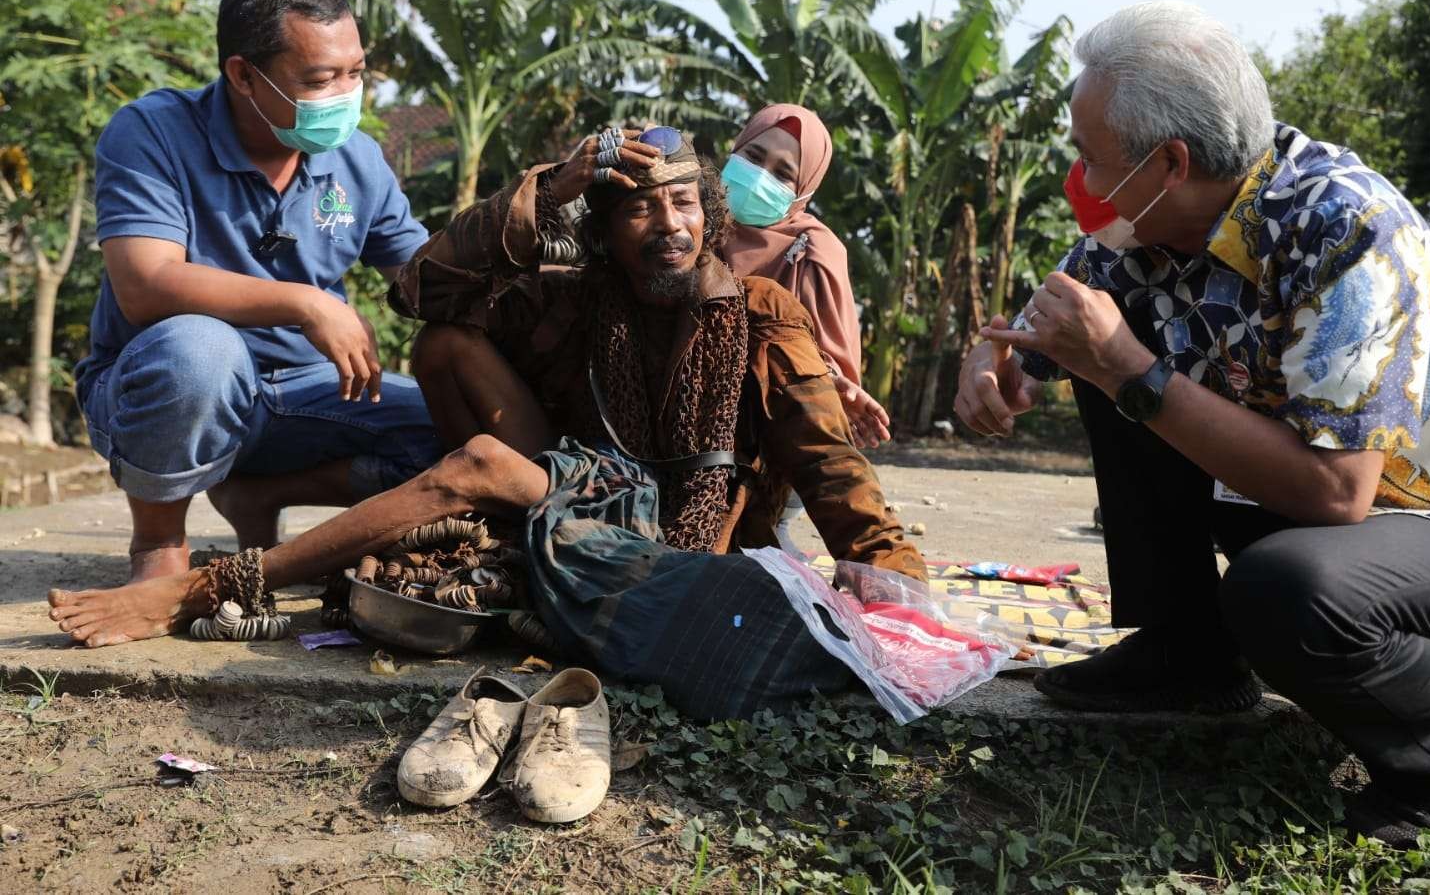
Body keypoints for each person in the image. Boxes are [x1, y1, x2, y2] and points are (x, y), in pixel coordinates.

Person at [955, 1, 1430, 846]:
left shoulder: (1348, 227)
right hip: (1345, 526)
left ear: (1168, 161)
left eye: (1088, 156)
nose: (1080, 177)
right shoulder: (1146, 223)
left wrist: (1126, 368)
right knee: (1111, 357)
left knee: (1284, 587)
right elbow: (1053, 320)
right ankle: (1187, 654)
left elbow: (1334, 491)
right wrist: (994, 363)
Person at [47, 124, 924, 648]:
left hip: (676, 520)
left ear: (711, 214)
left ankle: (209, 587)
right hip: (587, 474)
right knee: (444, 346)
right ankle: (266, 523)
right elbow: (427, 289)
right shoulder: (583, 295)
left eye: (686, 205)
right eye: (640, 208)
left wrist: (889, 573)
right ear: (608, 231)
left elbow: (827, 457)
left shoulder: (760, 309)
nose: (669, 226)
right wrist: (552, 187)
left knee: (471, 465)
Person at [75, 0, 439, 582]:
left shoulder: (358, 159)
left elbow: (429, 275)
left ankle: (263, 492)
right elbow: (144, 285)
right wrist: (307, 302)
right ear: (243, 75)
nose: (346, 94)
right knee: (200, 350)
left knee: (460, 439)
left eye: (355, 73)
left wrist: (530, 239)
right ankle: (159, 546)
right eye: (322, 78)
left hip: (306, 395)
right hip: (168, 387)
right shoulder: (152, 133)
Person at [721, 104, 889, 448]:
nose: (759, 177)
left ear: (804, 191)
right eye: (753, 156)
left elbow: (824, 360)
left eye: (782, 173)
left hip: (775, 435)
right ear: (735, 149)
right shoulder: (687, 222)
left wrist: (827, 382)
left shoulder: (815, 250)